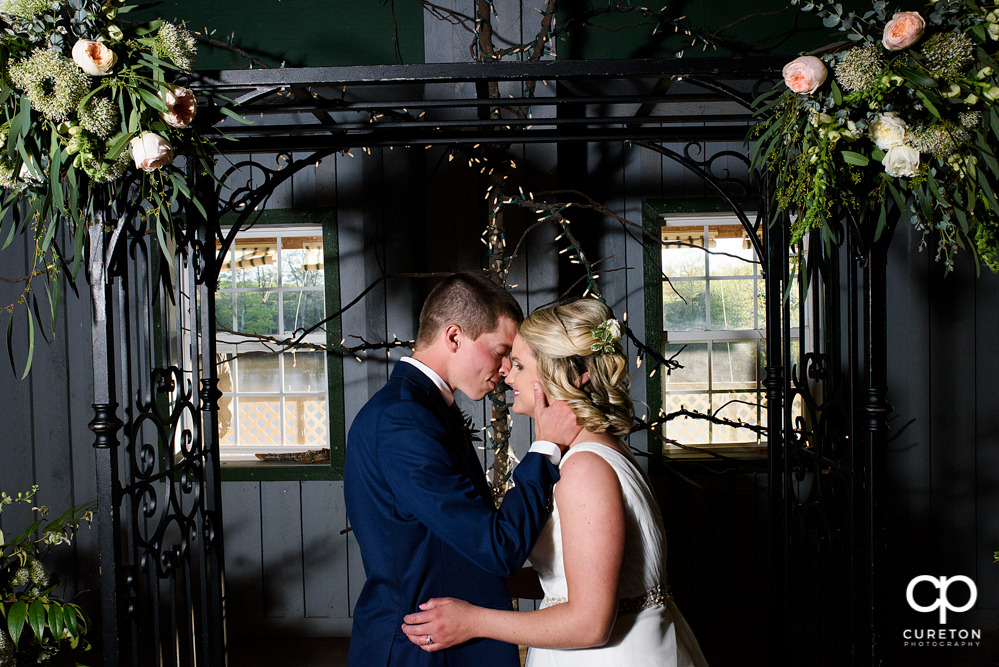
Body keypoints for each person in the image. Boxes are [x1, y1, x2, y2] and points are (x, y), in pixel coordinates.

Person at [400, 298, 709, 666]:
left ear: (568, 374)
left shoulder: (584, 469)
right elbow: (576, 576)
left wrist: (473, 621)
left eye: (519, 365)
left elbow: (590, 624)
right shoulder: (603, 449)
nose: (508, 376)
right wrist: (491, 586)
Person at [344, 272, 581, 667]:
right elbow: (497, 547)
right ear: (454, 337)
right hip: (419, 651)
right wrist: (547, 448)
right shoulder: (404, 420)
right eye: (501, 350)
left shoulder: (421, 409)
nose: (506, 369)